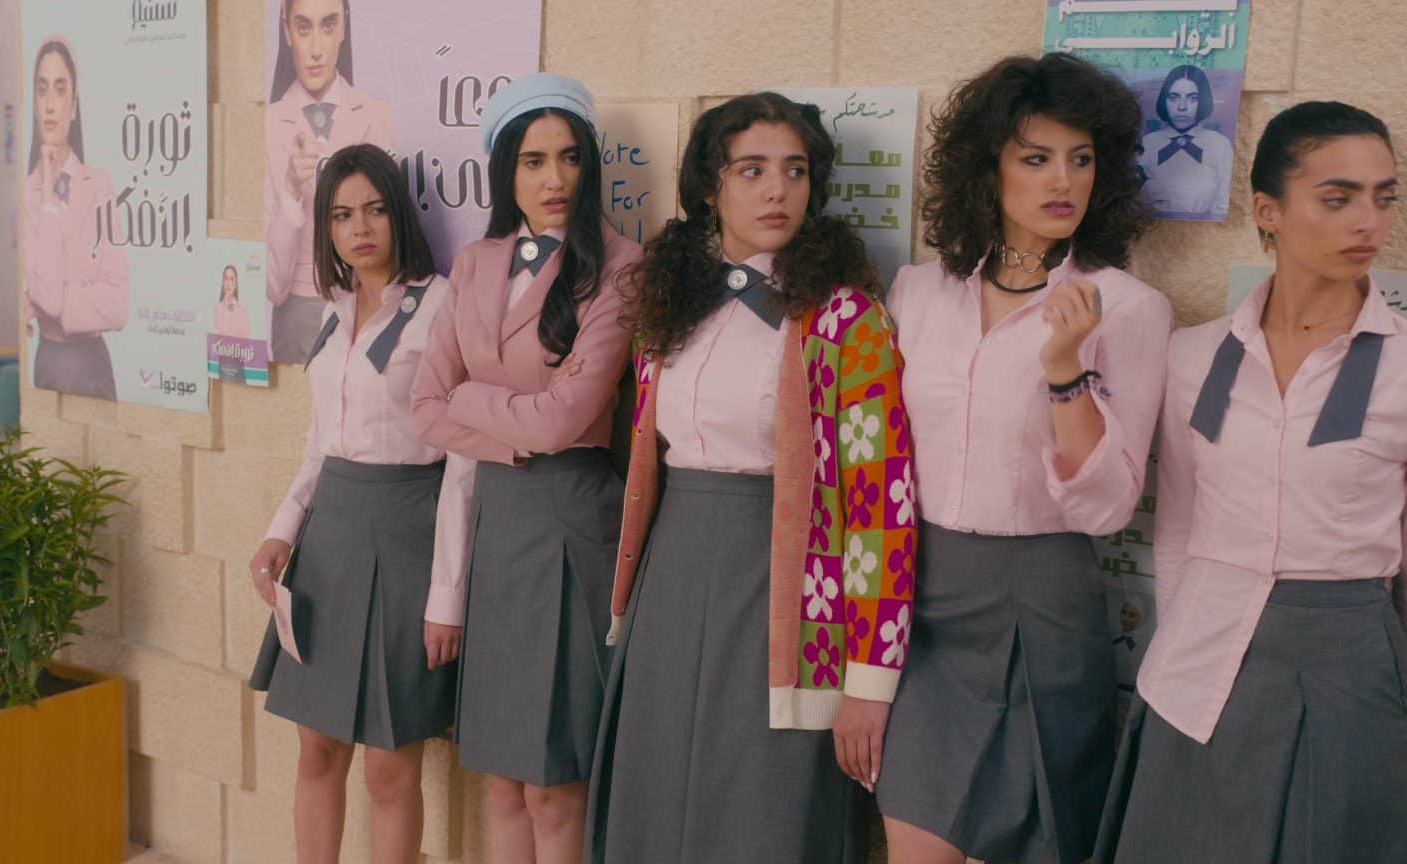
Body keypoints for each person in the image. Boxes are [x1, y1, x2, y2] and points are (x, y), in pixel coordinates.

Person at [1095, 101, 1407, 863]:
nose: (1368, 221)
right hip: (1194, 676)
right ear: (1267, 211)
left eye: (1384, 197)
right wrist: (1173, 659)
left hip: (1347, 677)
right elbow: (1177, 536)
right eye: (1338, 198)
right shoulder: (1190, 356)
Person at [584, 92, 916, 864]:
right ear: (711, 187)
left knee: (758, 808)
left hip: (787, 593)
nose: (777, 191)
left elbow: (883, 508)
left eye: (795, 172)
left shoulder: (847, 322)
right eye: (752, 170)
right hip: (670, 580)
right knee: (658, 798)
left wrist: (871, 679)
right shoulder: (669, 309)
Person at [877, 54, 1171, 864]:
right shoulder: (916, 291)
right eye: (1036, 157)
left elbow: (1108, 508)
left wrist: (1065, 371)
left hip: (1043, 600)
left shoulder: (1130, 308)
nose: (1063, 180)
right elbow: (879, 462)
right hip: (920, 601)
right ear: (987, 167)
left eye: (1082, 158)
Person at [408, 73, 640, 864]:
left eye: (570, 157)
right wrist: (513, 430)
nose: (554, 179)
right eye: (534, 161)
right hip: (498, 526)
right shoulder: (476, 263)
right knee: (503, 781)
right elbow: (422, 406)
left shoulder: (621, 265)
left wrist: (473, 400)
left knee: (554, 785)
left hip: (571, 526)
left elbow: (566, 418)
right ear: (506, 170)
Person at [247, 144, 472, 864]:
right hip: (329, 545)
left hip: (407, 539)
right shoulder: (334, 308)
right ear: (327, 228)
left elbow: (463, 460)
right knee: (316, 747)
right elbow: (321, 441)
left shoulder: (443, 305)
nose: (360, 228)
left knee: (388, 766)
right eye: (342, 215)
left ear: (399, 214)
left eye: (374, 209)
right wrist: (282, 531)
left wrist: (447, 596)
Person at [264, 0, 394, 363]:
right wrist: (291, 191)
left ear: (344, 27)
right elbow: (273, 286)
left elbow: (393, 229)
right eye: (304, 27)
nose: (316, 49)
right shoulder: (267, 125)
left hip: (371, 305)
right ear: (286, 29)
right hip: (299, 313)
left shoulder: (378, 115)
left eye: (328, 25)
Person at [22, 35, 129, 400]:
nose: (50, 104)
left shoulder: (100, 186)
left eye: (60, 89)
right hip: (48, 366)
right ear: (34, 103)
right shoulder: (27, 194)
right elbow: (49, 297)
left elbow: (117, 305)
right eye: (42, 90)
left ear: (74, 105)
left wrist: (45, 304)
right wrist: (48, 201)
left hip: (93, 368)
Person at [1136, 65, 1232, 220]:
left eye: (1192, 98)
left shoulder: (1220, 145)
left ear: (1203, 101)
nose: (1182, 106)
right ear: (1164, 100)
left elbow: (1223, 204)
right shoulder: (1149, 142)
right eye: (1174, 97)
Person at [214, 264, 250, 337]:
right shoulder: (217, 309)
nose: (228, 283)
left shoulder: (242, 310)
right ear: (223, 283)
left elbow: (246, 339)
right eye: (226, 279)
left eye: (231, 279)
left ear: (235, 284)